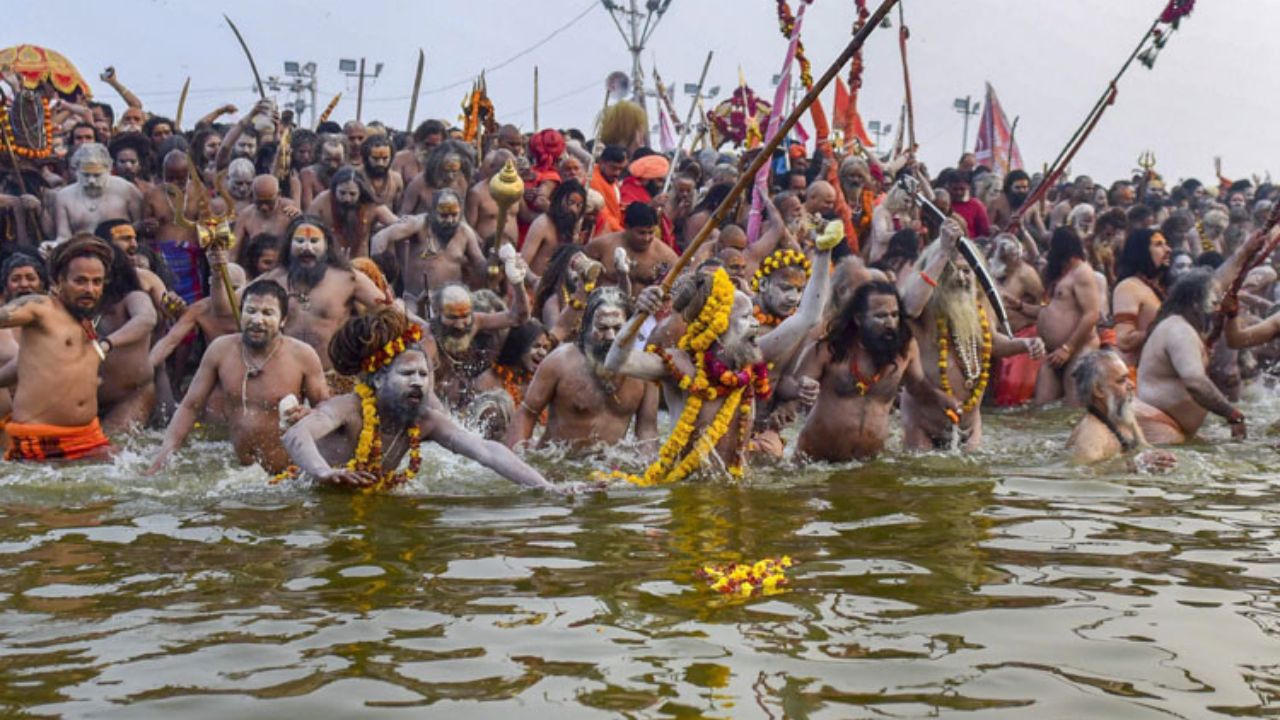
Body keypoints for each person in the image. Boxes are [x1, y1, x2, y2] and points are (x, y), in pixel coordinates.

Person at [603, 229, 837, 483]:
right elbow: (616, 361)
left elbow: (807, 317)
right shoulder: (679, 366)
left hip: (735, 491)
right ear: (720, 325)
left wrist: (824, 253)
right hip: (686, 497)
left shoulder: (749, 358)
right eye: (746, 318)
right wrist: (637, 315)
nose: (755, 325)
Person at [282, 307, 561, 492]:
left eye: (423, 374)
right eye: (407, 373)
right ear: (378, 380)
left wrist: (548, 488)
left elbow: (487, 451)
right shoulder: (349, 409)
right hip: (310, 495)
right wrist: (323, 473)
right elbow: (296, 434)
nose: (418, 381)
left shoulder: (426, 420)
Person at [150, 281, 327, 473]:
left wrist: (309, 415)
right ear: (241, 314)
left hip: (288, 474)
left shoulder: (302, 355)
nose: (257, 320)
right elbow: (189, 406)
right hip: (238, 474)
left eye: (268, 313)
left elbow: (326, 411)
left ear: (283, 320)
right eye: (251, 311)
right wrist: (164, 456)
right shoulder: (220, 349)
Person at [899, 220, 1045, 450]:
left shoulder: (977, 308)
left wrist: (1024, 344)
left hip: (970, 424)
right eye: (952, 271)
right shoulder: (924, 311)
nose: (961, 278)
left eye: (967, 271)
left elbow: (994, 343)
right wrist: (944, 253)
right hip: (923, 424)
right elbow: (909, 306)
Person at [796, 281, 951, 461]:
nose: (889, 323)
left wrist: (939, 398)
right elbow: (794, 386)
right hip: (816, 463)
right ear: (859, 319)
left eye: (894, 315)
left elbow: (917, 386)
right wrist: (802, 387)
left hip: (869, 466)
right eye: (880, 316)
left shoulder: (905, 349)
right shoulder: (829, 349)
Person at [0, 236, 114, 461]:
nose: (89, 289)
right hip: (41, 440)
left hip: (90, 436)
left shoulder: (85, 319)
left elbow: (30, 364)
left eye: (96, 282)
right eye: (80, 281)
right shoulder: (40, 307)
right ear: (59, 281)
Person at [508, 287, 658, 453]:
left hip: (608, 470)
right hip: (559, 466)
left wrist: (648, 471)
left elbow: (648, 430)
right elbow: (527, 413)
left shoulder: (644, 373)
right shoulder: (559, 362)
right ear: (586, 327)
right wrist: (517, 461)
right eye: (602, 328)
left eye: (618, 329)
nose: (610, 337)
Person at [258, 215, 388, 381]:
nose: (307, 247)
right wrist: (219, 272)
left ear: (326, 245)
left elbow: (387, 313)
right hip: (285, 375)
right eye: (299, 241)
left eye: (314, 241)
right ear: (289, 245)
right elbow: (231, 306)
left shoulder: (349, 279)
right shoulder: (273, 279)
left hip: (335, 376)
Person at [1135, 269, 1246, 444]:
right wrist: (1232, 414)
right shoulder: (1180, 330)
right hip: (1158, 425)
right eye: (1214, 301)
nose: (1218, 308)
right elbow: (1195, 383)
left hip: (1170, 426)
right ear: (1196, 303)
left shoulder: (1180, 327)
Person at [371, 188, 486, 302]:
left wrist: (492, 266)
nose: (450, 220)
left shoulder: (465, 232)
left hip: (450, 303)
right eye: (444, 215)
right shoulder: (419, 224)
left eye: (454, 215)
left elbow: (479, 264)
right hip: (414, 301)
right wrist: (379, 277)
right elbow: (379, 238)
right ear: (433, 212)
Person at [1066, 348, 1175, 469]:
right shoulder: (1092, 435)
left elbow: (1142, 446)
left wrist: (1159, 457)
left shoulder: (1123, 416)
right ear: (1099, 390)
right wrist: (1134, 465)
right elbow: (1082, 474)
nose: (1132, 385)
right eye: (1121, 381)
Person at [430, 279, 529, 409]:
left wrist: (518, 283)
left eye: (465, 316)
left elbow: (518, 317)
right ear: (437, 313)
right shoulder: (429, 341)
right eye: (452, 318)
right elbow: (426, 393)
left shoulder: (476, 321)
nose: (460, 326)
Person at [93, 243, 159, 431]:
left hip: (131, 396)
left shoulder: (133, 298)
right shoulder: (78, 303)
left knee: (116, 448)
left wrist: (106, 345)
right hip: (83, 399)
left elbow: (146, 319)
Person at [1035, 227, 1101, 405]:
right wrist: (1018, 306)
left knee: (1074, 409)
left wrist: (1067, 348)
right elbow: (1047, 310)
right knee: (1041, 409)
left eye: (1051, 248)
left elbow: (1092, 314)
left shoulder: (1082, 272)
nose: (1048, 253)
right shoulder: (1059, 275)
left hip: (1079, 348)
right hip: (1053, 353)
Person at [54, 143, 143, 244]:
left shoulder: (126, 189)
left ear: (108, 170)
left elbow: (141, 226)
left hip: (121, 251)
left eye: (97, 175)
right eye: (86, 175)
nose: (91, 181)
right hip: (83, 251)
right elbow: (63, 236)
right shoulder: (64, 196)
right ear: (77, 172)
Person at [585, 202, 678, 295]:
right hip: (606, 304)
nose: (646, 238)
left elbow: (675, 288)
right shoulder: (602, 246)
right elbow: (579, 275)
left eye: (651, 232)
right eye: (641, 233)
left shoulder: (666, 256)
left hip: (642, 306)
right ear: (627, 227)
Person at [1112, 228, 1172, 371]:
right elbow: (1124, 340)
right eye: (1158, 245)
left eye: (1166, 244)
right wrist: (1165, 329)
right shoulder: (1129, 287)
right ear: (1142, 252)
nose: (1168, 249)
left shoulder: (1163, 287)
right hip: (1140, 375)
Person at [307, 166, 397, 259]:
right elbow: (306, 225)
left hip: (361, 264)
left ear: (360, 192)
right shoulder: (322, 201)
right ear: (334, 190)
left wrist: (384, 235)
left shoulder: (371, 206)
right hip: (330, 261)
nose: (347, 199)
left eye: (352, 194)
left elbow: (401, 223)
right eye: (342, 193)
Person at [521, 179, 586, 277]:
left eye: (578, 206)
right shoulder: (542, 224)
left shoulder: (572, 231)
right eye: (570, 202)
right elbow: (521, 264)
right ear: (559, 199)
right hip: (532, 288)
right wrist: (534, 281)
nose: (573, 209)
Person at [400, 140, 474, 216]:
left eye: (454, 171)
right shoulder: (420, 182)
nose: (450, 176)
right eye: (446, 171)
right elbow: (404, 214)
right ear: (437, 166)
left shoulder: (462, 182)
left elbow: (461, 214)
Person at [464, 149, 519, 247]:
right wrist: (480, 245)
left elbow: (526, 215)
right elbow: (468, 227)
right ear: (492, 168)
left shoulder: (517, 189)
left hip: (512, 250)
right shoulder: (477, 193)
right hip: (486, 250)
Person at [234, 175, 299, 254]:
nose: (264, 207)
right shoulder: (245, 215)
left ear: (279, 194)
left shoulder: (290, 210)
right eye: (259, 202)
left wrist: (298, 218)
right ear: (253, 196)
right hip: (254, 262)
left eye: (269, 202)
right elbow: (232, 252)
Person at [298, 135, 345, 209]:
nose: (333, 165)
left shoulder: (350, 174)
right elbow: (309, 210)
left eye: (337, 160)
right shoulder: (308, 174)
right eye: (328, 160)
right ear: (319, 156)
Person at [360, 134, 403, 209]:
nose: (380, 163)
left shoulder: (396, 179)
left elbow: (399, 209)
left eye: (385, 158)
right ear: (366, 157)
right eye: (375, 158)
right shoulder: (356, 176)